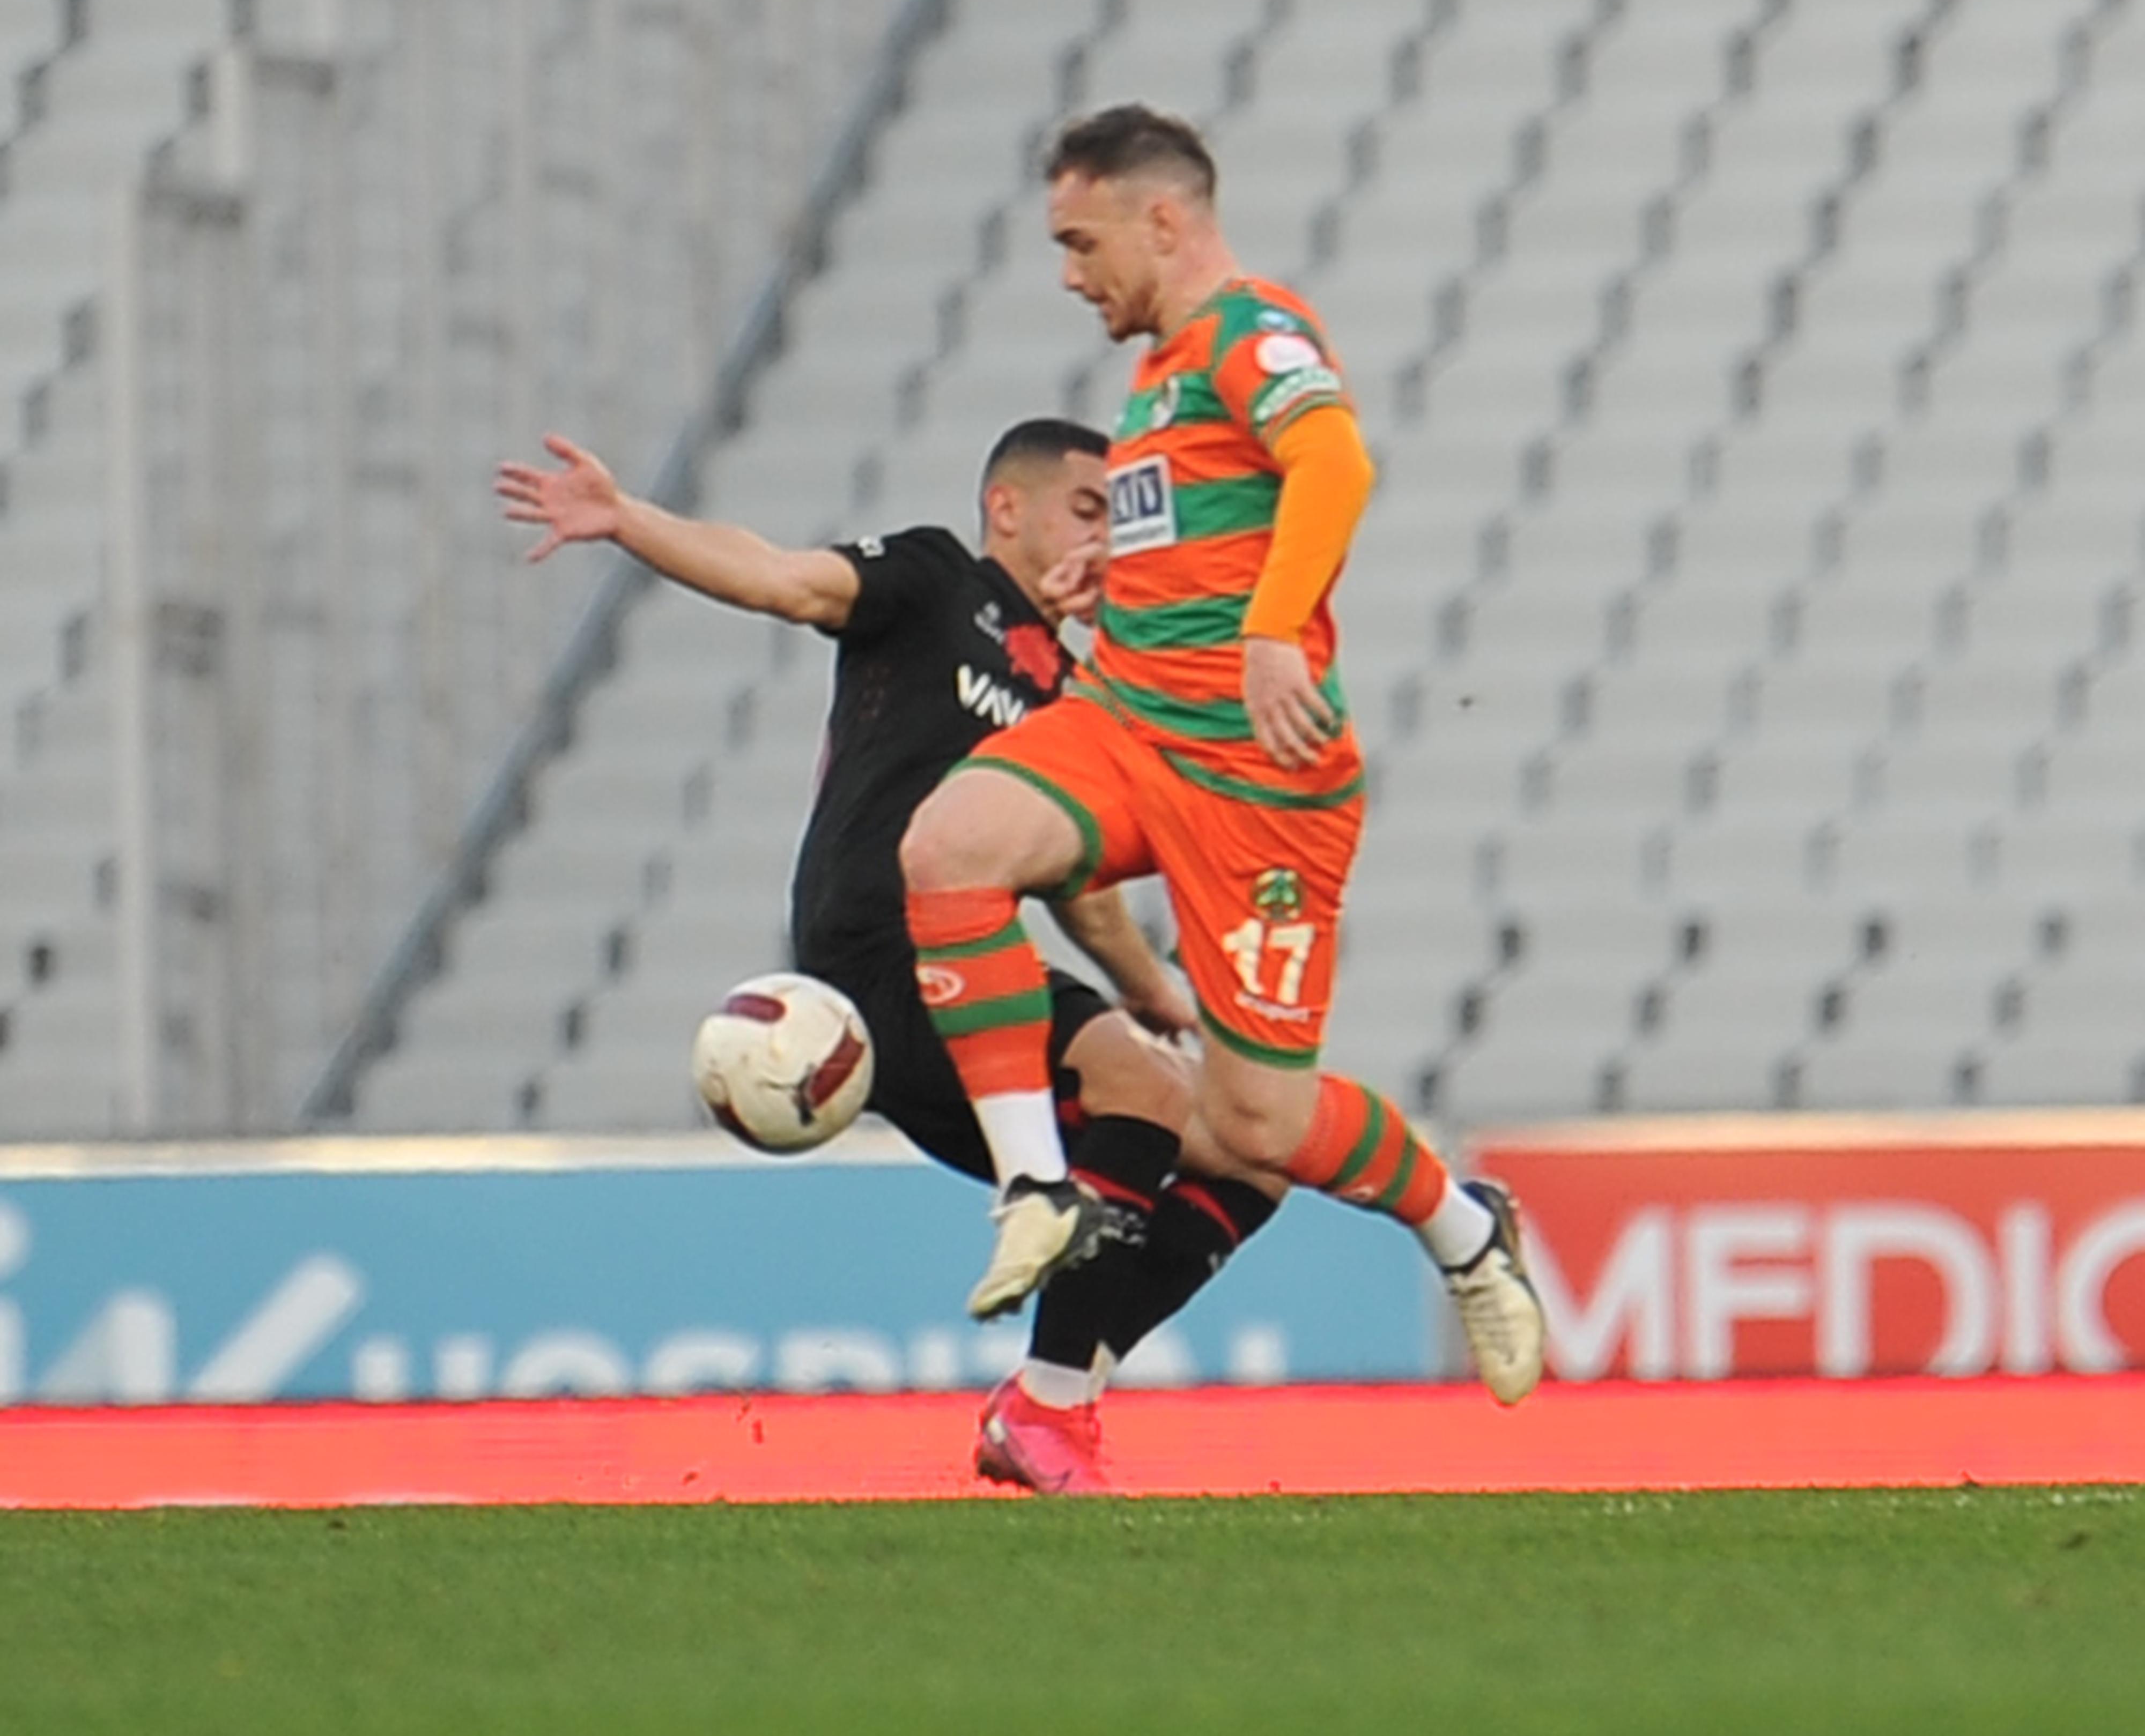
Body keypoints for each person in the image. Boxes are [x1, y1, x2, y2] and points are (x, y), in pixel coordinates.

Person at [497, 418, 1287, 1493]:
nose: (1104, 537)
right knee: (1139, 1091)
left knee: (1250, 1154)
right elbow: (781, 579)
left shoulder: (1067, 688)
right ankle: (1048, 1409)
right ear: (1006, 508)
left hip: (980, 977)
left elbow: (1081, 888)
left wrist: (1159, 996)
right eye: (1086, 510)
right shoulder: (933, 582)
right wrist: (626, 518)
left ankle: (1053, 1401)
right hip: (878, 954)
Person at [899, 104, 1547, 1405]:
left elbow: (1332, 463)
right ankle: (1035, 1189)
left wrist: (1268, 635)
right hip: (1130, 726)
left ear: (1162, 220)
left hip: (1257, 780)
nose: (1069, 273)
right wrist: (1116, 574)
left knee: (1256, 1123)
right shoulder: (1158, 380)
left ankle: (1461, 1230)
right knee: (948, 847)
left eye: (1080, 241)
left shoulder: (1253, 332)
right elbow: (1209, 521)